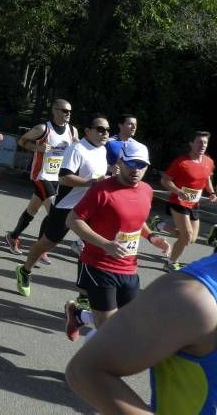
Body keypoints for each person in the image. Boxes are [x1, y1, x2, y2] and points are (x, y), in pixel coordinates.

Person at [66, 254, 217, 414]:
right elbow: (85, 370)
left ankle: (82, 317)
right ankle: (81, 316)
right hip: (104, 264)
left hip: (127, 271)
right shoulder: (192, 297)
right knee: (105, 322)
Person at [64, 141, 170, 341]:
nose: (136, 170)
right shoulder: (102, 190)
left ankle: (78, 315)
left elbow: (134, 221)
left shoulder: (146, 190)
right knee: (108, 330)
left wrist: (152, 236)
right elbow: (73, 220)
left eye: (142, 165)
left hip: (128, 267)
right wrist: (105, 244)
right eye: (132, 164)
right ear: (120, 162)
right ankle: (89, 369)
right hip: (98, 265)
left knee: (129, 322)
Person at [15, 114, 111, 298]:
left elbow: (98, 175)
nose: (104, 133)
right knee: (47, 243)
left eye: (107, 130)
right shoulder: (77, 149)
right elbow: (64, 178)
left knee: (94, 246)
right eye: (100, 129)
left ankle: (85, 294)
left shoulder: (102, 150)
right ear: (88, 131)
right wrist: (92, 182)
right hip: (68, 206)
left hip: (92, 208)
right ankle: (24, 270)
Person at [5, 98, 79, 261]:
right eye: (65, 111)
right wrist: (37, 147)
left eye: (70, 111)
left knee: (33, 208)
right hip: (41, 175)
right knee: (54, 211)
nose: (68, 114)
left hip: (58, 178)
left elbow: (77, 150)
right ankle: (41, 247)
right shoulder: (43, 128)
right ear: (55, 111)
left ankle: (13, 236)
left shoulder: (72, 131)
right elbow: (22, 141)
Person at [152, 131, 216, 271]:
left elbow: (207, 178)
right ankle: (170, 263)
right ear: (191, 144)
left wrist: (211, 192)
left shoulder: (208, 161)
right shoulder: (181, 162)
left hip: (195, 204)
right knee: (186, 237)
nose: (202, 145)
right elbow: (165, 180)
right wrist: (178, 191)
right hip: (179, 202)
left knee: (191, 239)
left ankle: (160, 225)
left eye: (205, 142)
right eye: (199, 142)